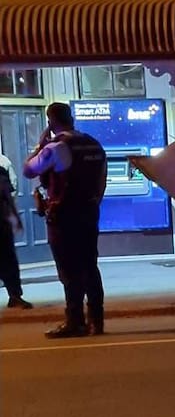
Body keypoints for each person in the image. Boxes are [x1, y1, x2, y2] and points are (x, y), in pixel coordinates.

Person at [23, 102, 107, 337]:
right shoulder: (94, 143)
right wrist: (92, 205)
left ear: (51, 121)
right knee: (90, 266)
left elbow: (28, 170)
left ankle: (75, 321)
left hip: (63, 215)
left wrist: (40, 144)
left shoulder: (57, 147)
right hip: (90, 212)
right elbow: (102, 180)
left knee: (69, 271)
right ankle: (96, 321)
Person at [0, 151, 33, 309]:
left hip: (1, 222)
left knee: (8, 260)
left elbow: (6, 194)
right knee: (8, 260)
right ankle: (14, 295)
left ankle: (14, 295)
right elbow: (6, 194)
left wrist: (15, 216)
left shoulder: (2, 167)